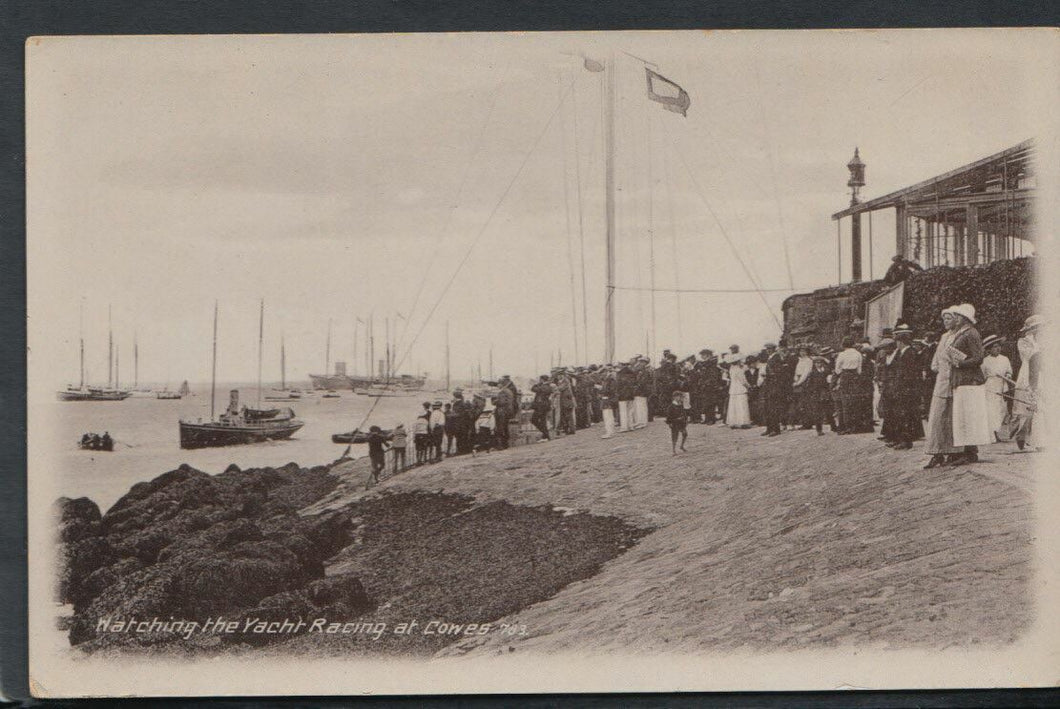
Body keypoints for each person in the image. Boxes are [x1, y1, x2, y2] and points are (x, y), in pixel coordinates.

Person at [924, 304, 990, 468]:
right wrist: (938, 367)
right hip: (945, 380)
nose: (947, 321)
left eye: (951, 317)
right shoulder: (946, 337)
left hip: (957, 381)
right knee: (939, 418)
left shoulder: (965, 334)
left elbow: (975, 357)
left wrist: (959, 364)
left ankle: (958, 452)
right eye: (945, 318)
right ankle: (937, 452)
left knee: (956, 418)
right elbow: (938, 359)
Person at [889, 323, 924, 450]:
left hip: (907, 390)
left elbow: (910, 374)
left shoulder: (910, 353)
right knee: (899, 415)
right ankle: (900, 439)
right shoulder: (903, 353)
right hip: (901, 389)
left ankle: (906, 440)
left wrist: (903, 387)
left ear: (901, 342)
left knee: (905, 415)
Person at [1013, 315, 1043, 451]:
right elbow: (1031, 357)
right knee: (1025, 408)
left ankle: (1040, 440)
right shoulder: (1023, 341)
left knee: (1041, 407)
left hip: (1043, 373)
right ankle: (1021, 435)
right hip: (1028, 373)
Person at [981, 334, 1013, 441]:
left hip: (1002, 385)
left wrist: (1007, 376)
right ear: (989, 349)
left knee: (1001, 409)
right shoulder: (985, 361)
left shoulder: (1004, 359)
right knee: (991, 409)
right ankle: (992, 434)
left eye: (999, 346)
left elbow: (1009, 371)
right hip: (990, 386)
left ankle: (997, 431)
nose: (997, 348)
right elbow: (983, 375)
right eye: (994, 347)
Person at [834, 336, 862, 434]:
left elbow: (837, 369)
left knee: (845, 402)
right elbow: (859, 369)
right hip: (855, 377)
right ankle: (854, 426)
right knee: (854, 401)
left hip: (845, 376)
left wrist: (842, 373)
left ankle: (846, 427)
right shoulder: (858, 354)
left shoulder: (842, 354)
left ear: (843, 344)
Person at [803, 357, 832, 435]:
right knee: (817, 412)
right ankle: (819, 430)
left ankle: (833, 426)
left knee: (828, 409)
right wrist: (812, 391)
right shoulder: (812, 373)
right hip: (816, 393)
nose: (818, 364)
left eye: (820, 363)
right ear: (814, 364)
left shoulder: (826, 371)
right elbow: (808, 385)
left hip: (825, 392)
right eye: (817, 363)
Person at [791, 345, 815, 429]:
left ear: (807, 352)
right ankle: (804, 422)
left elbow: (806, 373)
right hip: (799, 381)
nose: (802, 353)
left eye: (804, 351)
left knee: (806, 403)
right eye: (801, 351)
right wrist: (795, 380)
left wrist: (799, 382)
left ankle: (808, 423)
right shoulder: (800, 361)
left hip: (806, 382)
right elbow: (796, 372)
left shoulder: (809, 361)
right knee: (800, 403)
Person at [726, 356, 751, 428]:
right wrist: (749, 386)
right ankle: (743, 422)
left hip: (733, 389)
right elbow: (743, 381)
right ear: (738, 362)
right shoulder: (739, 370)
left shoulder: (731, 369)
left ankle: (734, 422)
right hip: (740, 389)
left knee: (734, 406)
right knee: (742, 406)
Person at [493, 381, 516, 449]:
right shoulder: (509, 391)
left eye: (498, 384)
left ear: (501, 384)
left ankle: (501, 445)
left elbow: (501, 402)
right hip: (507, 411)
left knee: (500, 427)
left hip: (501, 411)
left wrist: (494, 402)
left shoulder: (503, 392)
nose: (497, 385)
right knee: (505, 427)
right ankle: (506, 444)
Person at [665, 390, 689, 455]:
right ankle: (673, 450)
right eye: (679, 397)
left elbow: (684, 413)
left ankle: (681, 446)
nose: (680, 398)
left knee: (685, 434)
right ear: (674, 397)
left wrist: (685, 419)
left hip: (681, 423)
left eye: (681, 397)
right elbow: (668, 416)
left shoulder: (681, 405)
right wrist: (670, 423)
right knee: (675, 436)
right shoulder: (671, 406)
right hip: (674, 423)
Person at [530, 375, 553, 441]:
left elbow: (533, 388)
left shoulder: (544, 386)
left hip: (540, 406)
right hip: (544, 406)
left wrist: (537, 384)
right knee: (543, 421)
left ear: (542, 380)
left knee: (533, 420)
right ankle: (545, 436)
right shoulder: (548, 386)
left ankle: (546, 434)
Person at [616, 362, 636, 432]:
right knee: (630, 411)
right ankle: (631, 426)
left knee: (623, 411)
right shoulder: (632, 373)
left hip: (622, 395)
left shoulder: (619, 374)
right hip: (630, 395)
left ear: (622, 365)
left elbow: (618, 385)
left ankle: (624, 427)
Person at [744, 355, 763, 426]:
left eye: (754, 363)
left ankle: (759, 419)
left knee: (758, 404)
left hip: (757, 389)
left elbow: (760, 379)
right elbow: (745, 380)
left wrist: (756, 385)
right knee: (751, 405)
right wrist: (749, 386)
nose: (753, 365)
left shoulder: (759, 371)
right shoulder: (746, 372)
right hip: (750, 390)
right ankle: (754, 419)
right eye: (751, 363)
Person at [633, 357, 652, 427]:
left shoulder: (645, 371)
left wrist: (636, 386)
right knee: (638, 406)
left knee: (642, 406)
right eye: (639, 362)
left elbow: (643, 382)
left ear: (645, 363)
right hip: (639, 391)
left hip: (642, 391)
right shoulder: (640, 371)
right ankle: (639, 421)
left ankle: (642, 422)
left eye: (641, 362)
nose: (640, 363)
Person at [599, 365, 617, 439]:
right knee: (608, 416)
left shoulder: (610, 379)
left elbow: (611, 390)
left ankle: (609, 432)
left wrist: (601, 390)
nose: (601, 375)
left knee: (608, 416)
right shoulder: (608, 379)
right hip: (607, 399)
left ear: (606, 372)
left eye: (602, 373)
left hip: (608, 399)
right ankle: (610, 431)